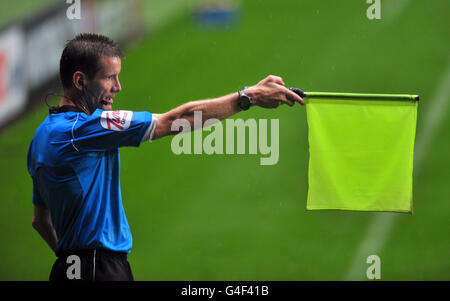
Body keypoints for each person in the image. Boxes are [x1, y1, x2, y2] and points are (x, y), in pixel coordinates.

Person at [27, 33, 304, 281]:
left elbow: (40, 221)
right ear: (79, 80)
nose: (118, 87)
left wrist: (71, 261)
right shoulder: (88, 127)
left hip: (65, 270)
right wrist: (249, 97)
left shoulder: (40, 138)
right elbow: (174, 120)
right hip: (102, 268)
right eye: (109, 77)